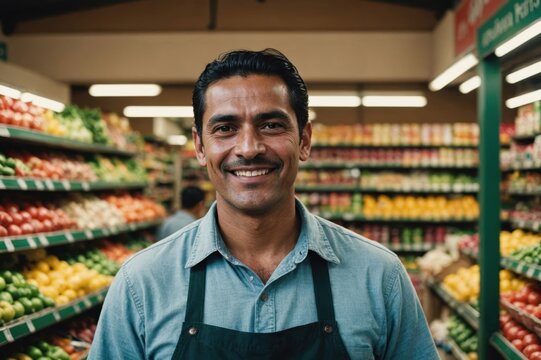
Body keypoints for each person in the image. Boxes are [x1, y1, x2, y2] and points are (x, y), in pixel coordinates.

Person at [89, 49, 439, 359]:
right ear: (200, 147)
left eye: (271, 125)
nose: (248, 147)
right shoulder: (143, 282)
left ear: (304, 140)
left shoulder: (378, 275)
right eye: (225, 128)